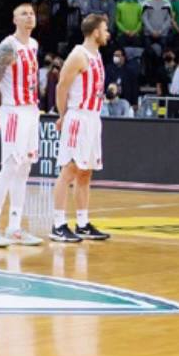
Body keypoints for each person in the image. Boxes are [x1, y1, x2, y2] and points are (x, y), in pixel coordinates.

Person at [0, 3, 44, 248]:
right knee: (9, 167)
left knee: (25, 168)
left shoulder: (34, 45)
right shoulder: (8, 46)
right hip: (14, 111)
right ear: (14, 19)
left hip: (31, 110)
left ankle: (14, 227)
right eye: (23, 14)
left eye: (32, 13)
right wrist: (2, 109)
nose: (29, 17)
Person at [50, 13, 111, 242]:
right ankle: (58, 224)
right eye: (104, 29)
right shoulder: (78, 55)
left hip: (93, 118)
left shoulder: (97, 55)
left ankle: (83, 224)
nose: (107, 34)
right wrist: (63, 115)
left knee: (86, 172)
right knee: (69, 170)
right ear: (95, 32)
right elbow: (61, 87)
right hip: (78, 117)